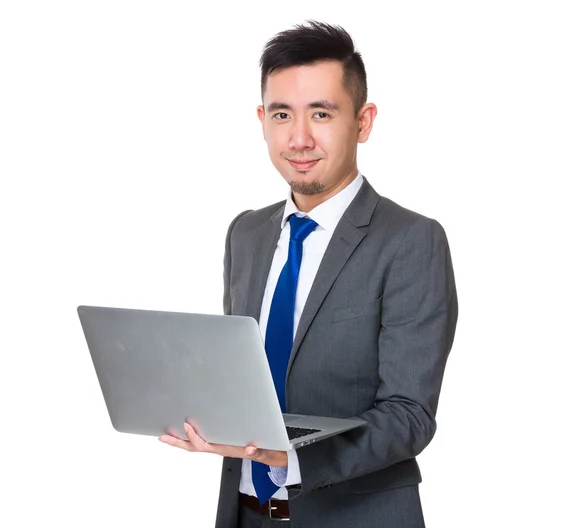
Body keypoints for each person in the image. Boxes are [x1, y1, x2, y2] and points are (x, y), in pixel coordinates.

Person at [158, 20, 458, 528]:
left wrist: (292, 460)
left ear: (363, 122)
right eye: (282, 114)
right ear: (262, 120)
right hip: (248, 511)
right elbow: (244, 375)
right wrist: (200, 408)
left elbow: (409, 414)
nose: (299, 138)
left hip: (355, 515)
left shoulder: (411, 240)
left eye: (321, 113)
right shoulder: (246, 234)